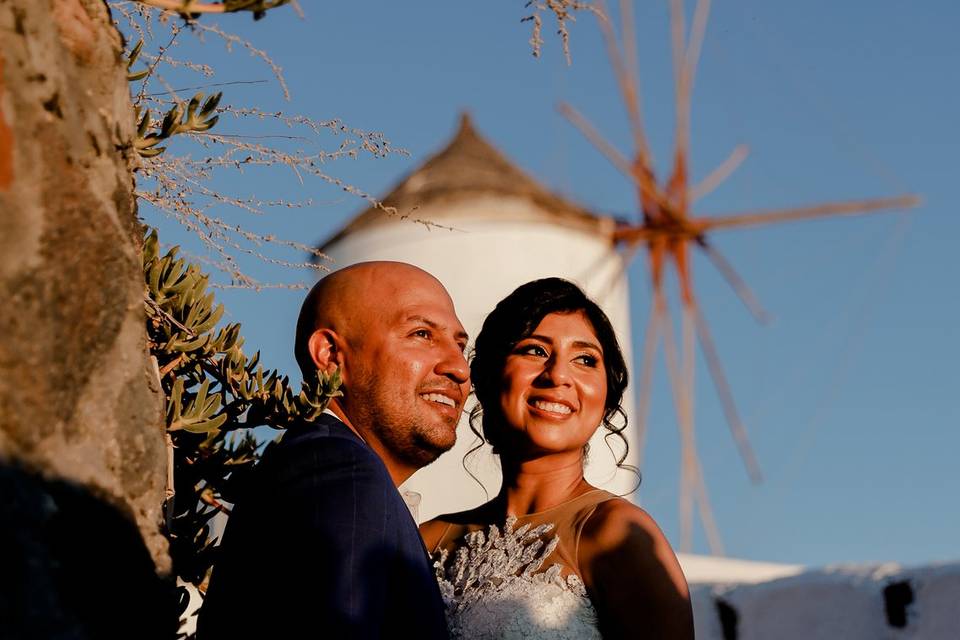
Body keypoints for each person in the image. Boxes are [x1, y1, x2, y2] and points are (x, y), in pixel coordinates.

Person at [197, 262, 470, 639]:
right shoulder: (340, 471)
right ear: (329, 355)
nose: (459, 367)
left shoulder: (329, 468)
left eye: (460, 345)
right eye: (421, 334)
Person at [420, 278, 694, 639]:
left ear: (607, 397)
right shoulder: (427, 540)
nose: (558, 375)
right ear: (485, 378)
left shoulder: (615, 535)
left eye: (585, 359)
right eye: (534, 351)